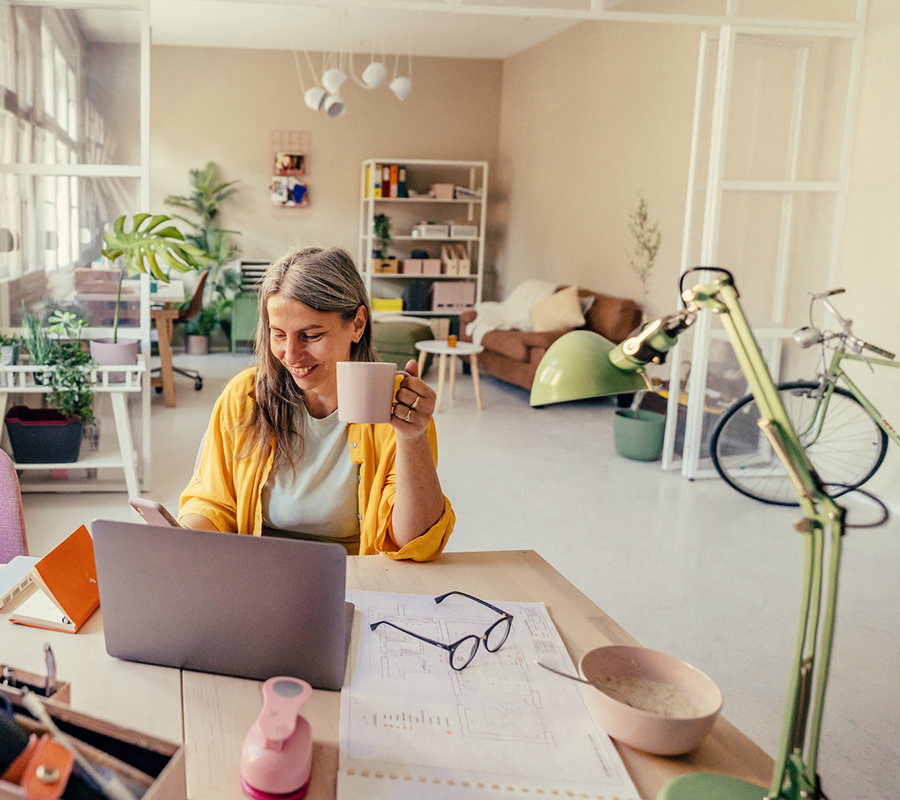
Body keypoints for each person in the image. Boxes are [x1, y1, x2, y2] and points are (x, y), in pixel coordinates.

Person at [178, 246, 454, 560]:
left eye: (310, 335)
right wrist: (183, 539)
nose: (291, 356)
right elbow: (213, 505)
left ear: (358, 324)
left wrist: (412, 438)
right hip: (259, 575)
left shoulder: (397, 406)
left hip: (351, 580)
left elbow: (413, 543)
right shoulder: (245, 397)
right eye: (278, 335)